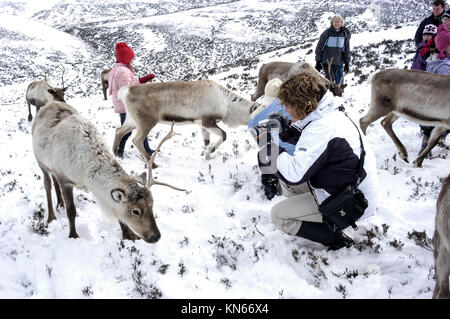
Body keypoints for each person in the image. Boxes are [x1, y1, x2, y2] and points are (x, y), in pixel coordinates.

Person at [262, 73, 377, 250]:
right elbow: (310, 141)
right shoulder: (328, 115)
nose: (284, 109)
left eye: (288, 105)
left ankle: (335, 237)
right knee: (288, 186)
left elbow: (294, 174)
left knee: (278, 215)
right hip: (349, 188)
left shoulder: (323, 128)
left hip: (351, 203)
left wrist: (270, 146)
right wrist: (286, 131)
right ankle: (315, 215)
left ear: (302, 104)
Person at [248, 78, 295, 200]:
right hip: (298, 154)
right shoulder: (292, 107)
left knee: (264, 150)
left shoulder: (257, 115)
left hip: (276, 155)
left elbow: (253, 131)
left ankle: (270, 188)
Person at [108, 42, 156, 159]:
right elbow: (128, 90)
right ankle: (118, 152)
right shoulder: (124, 71)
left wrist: (142, 80)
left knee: (141, 127)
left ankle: (146, 150)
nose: (133, 60)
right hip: (127, 106)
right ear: (126, 59)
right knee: (128, 130)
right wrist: (143, 86)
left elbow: (129, 85)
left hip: (124, 105)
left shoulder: (118, 69)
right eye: (131, 58)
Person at [420, 19, 450, 155]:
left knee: (431, 124)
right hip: (439, 101)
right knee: (433, 125)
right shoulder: (443, 65)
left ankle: (430, 145)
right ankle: (426, 149)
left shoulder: (435, 60)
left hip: (431, 100)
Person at [315, 15, 351, 84]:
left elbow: (346, 49)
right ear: (332, 23)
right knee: (330, 78)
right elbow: (319, 46)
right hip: (328, 61)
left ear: (341, 23)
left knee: (339, 78)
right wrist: (318, 61)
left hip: (339, 61)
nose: (337, 24)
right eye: (335, 22)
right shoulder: (327, 33)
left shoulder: (344, 34)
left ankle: (340, 93)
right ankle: (328, 93)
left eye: (339, 22)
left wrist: (347, 63)